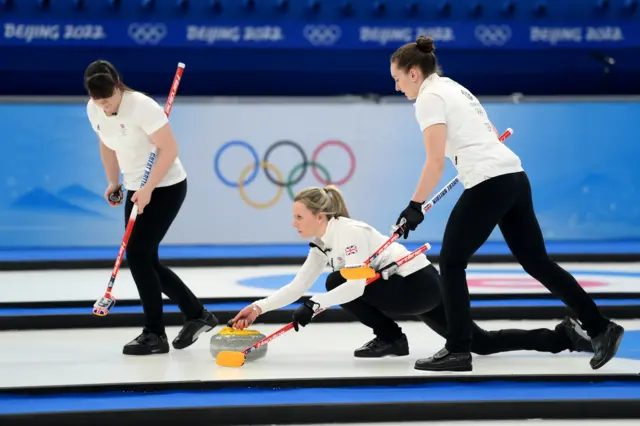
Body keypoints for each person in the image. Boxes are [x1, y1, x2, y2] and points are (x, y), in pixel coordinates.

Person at [389, 35, 624, 372]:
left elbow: (435, 161)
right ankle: (600, 327)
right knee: (538, 262)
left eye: (397, 79)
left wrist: (414, 206)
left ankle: (457, 349)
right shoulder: (454, 88)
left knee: (452, 263)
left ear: (414, 73)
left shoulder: (428, 98)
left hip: (489, 182)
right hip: (513, 176)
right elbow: (489, 131)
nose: (398, 87)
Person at [229, 185, 594, 365]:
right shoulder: (322, 243)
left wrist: (316, 304)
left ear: (320, 217)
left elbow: (354, 285)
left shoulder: (349, 232)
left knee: (335, 283)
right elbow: (298, 285)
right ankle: (562, 336)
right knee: (478, 342)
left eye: (299, 217)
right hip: (410, 289)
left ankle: (390, 338)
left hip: (416, 286)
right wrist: (258, 308)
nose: (293, 223)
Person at [84, 59, 217, 356]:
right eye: (98, 101)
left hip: (166, 186)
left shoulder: (142, 106)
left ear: (119, 86)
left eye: (108, 100)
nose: (105, 107)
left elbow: (169, 149)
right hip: (135, 188)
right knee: (147, 260)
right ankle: (197, 314)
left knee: (139, 256)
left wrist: (148, 189)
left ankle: (155, 333)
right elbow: (107, 144)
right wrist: (113, 182)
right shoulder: (93, 109)